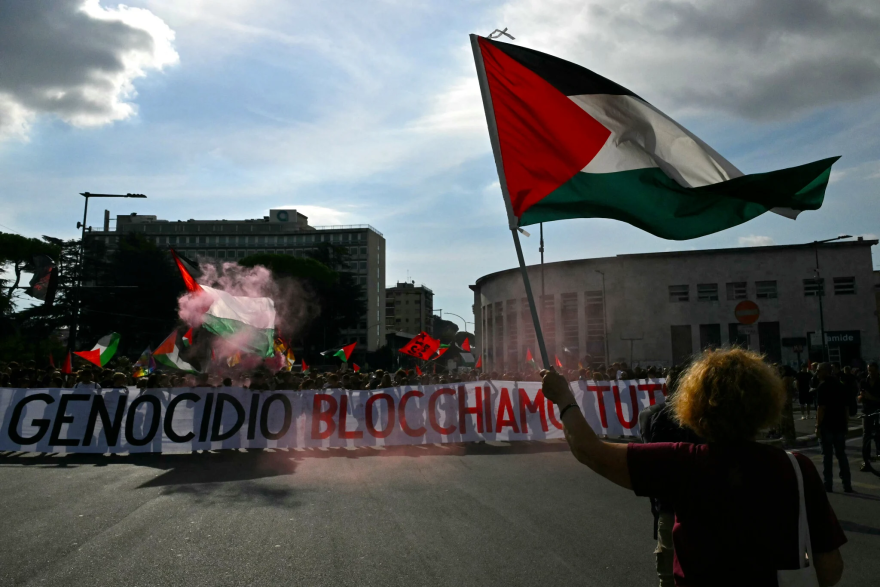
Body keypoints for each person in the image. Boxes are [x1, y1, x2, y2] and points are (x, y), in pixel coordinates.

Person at [541, 348, 846, 586]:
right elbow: (830, 569)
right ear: (767, 402)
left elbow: (590, 451)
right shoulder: (797, 467)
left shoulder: (683, 463)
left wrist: (565, 399)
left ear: (694, 404)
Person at [638, 368, 701, 587]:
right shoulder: (701, 414)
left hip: (667, 504)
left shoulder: (649, 414)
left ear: (665, 388)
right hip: (702, 502)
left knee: (668, 575)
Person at [816, 362, 853, 493]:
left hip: (827, 425)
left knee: (827, 456)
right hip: (840, 424)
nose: (817, 373)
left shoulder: (823, 387)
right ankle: (847, 484)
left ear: (825, 371)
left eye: (819, 370)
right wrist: (846, 424)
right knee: (841, 455)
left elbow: (821, 408)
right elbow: (846, 408)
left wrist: (818, 426)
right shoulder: (840, 385)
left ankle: (828, 484)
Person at [859, 362, 880, 472]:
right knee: (866, 435)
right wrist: (861, 397)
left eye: (872, 371)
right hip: (867, 411)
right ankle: (866, 461)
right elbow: (861, 395)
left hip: (878, 410)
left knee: (878, 435)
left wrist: (871, 397)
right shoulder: (864, 381)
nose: (870, 373)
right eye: (869, 370)